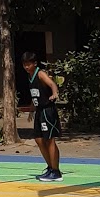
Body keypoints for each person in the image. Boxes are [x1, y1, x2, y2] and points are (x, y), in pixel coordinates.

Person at [21, 51, 62, 181]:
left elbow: (52, 84)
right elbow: (35, 94)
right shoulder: (30, 76)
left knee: (49, 140)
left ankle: (56, 172)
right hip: (39, 111)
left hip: (47, 110)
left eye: (28, 64)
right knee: (39, 140)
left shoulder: (40, 74)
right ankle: (50, 167)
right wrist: (31, 110)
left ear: (35, 63)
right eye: (24, 64)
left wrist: (54, 93)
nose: (26, 67)